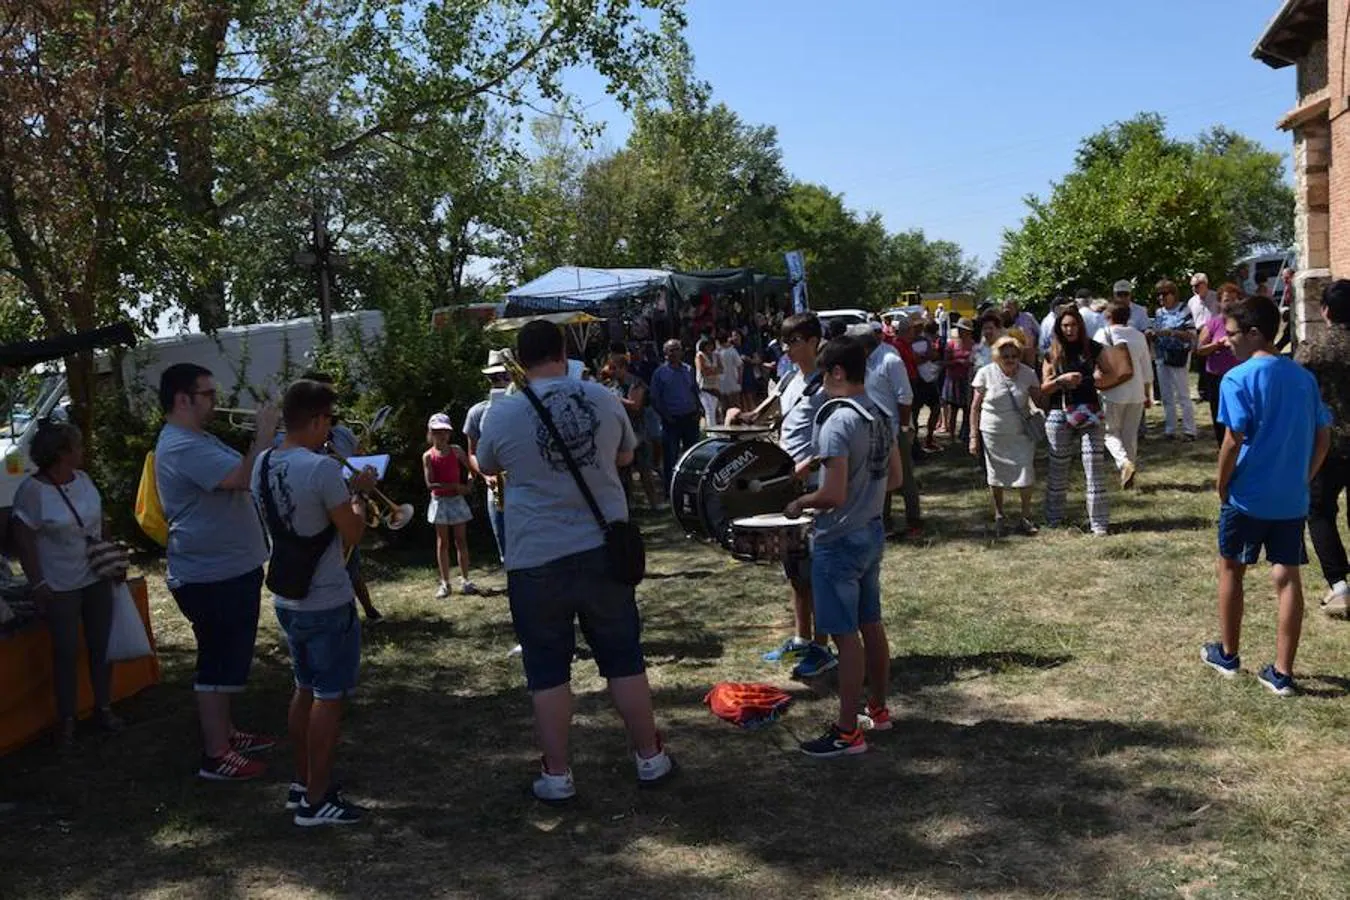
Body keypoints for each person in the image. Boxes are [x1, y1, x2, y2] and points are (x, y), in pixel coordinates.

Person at [476, 320, 675, 801]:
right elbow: (628, 457)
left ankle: (557, 773)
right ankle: (649, 756)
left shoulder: (502, 413)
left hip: (535, 556)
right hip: (602, 549)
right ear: (564, 351)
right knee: (624, 658)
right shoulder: (604, 397)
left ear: (519, 361)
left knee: (547, 669)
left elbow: (485, 466)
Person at [252, 379, 376, 826]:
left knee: (303, 688)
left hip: (288, 598)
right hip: (326, 596)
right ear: (319, 419)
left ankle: (303, 782)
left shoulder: (262, 463)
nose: (331, 431)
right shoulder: (322, 470)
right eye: (329, 421)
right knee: (329, 696)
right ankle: (317, 801)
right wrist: (360, 491)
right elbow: (353, 532)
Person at [1201, 295, 1332, 697]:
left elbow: (1232, 439)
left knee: (1231, 570)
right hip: (1290, 498)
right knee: (1288, 578)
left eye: (1232, 334)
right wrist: (1304, 476)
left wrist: (1222, 483)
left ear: (1255, 333)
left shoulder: (1237, 378)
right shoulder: (1302, 377)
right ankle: (1282, 672)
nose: (1226, 341)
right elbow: (1323, 435)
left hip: (1248, 497)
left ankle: (1228, 653)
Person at [155, 363, 276, 781]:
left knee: (229, 657)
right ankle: (216, 754)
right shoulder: (181, 445)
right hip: (211, 574)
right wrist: (263, 431)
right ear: (183, 398)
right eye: (208, 393)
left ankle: (226, 732)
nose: (216, 401)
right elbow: (244, 477)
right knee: (217, 661)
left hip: (229, 567)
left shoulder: (197, 437)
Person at [785, 336, 902, 758]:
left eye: (823, 374)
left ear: (836, 372)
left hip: (838, 540)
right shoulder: (879, 413)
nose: (819, 384)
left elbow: (831, 496)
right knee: (871, 623)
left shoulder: (836, 420)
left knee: (845, 638)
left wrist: (800, 501)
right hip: (871, 533)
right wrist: (842, 476)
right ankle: (880, 710)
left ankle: (848, 732)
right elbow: (895, 479)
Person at [9, 420, 121, 748]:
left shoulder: (84, 480)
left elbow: (102, 523)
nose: (82, 451)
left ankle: (103, 708)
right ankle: (68, 720)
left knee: (102, 645)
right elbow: (24, 538)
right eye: (77, 446)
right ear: (61, 453)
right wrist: (38, 581)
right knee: (66, 651)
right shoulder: (32, 491)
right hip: (60, 583)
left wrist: (112, 558)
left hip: (96, 575)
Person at [761, 313, 837, 679]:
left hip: (813, 486)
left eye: (793, 342)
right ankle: (801, 637)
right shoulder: (793, 379)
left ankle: (823, 647)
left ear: (812, 341)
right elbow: (786, 421)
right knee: (794, 569)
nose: (787, 349)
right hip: (787, 484)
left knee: (818, 570)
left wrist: (807, 464)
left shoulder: (826, 384)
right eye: (784, 342)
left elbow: (834, 436)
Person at [298, 371, 381, 623]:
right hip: (316, 513)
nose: (330, 402)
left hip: (345, 505)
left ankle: (364, 611)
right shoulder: (296, 435)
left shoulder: (343, 433)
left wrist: (364, 469)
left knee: (350, 562)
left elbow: (353, 463)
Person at [1040, 307, 1130, 535]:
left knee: (1093, 467)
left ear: (1080, 325)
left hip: (1089, 410)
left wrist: (1092, 380)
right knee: (1058, 467)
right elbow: (1044, 387)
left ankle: (1099, 524)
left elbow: (1112, 374)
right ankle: (1053, 518)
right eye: (1065, 326)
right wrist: (1062, 380)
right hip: (1059, 413)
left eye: (1073, 325)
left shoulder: (1093, 348)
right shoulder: (1052, 351)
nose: (1069, 329)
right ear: (1059, 328)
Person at [1296, 280, 1350, 616]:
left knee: (1319, 510)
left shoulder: (1313, 349)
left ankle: (1340, 586)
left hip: (1327, 442)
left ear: (1325, 310)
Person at [969, 336, 1043, 535]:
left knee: (1026, 472)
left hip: (1022, 432)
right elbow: (975, 407)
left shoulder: (1029, 374)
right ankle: (999, 515)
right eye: (1005, 355)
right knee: (995, 474)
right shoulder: (985, 373)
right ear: (997, 356)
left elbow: (1040, 401)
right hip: (994, 432)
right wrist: (973, 436)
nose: (1010, 359)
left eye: (1014, 355)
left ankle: (1026, 517)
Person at [856, 325, 921, 539]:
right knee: (878, 477)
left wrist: (903, 427)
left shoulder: (890, 360)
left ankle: (914, 521)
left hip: (893, 428)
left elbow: (905, 397)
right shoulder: (862, 362)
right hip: (871, 429)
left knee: (904, 477)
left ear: (865, 345)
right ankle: (883, 522)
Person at [463, 351, 513, 565]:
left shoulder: (526, 407)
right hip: (497, 488)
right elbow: (472, 453)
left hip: (525, 485)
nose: (499, 382)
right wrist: (485, 475)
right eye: (494, 378)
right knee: (505, 547)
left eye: (504, 376)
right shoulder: (478, 412)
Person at [1095, 302, 1152, 488]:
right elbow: (1146, 368)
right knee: (1130, 434)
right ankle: (1129, 474)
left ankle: (1124, 463)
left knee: (1110, 433)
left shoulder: (1102, 334)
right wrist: (1147, 393)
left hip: (1112, 390)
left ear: (1108, 316)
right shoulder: (1139, 336)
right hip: (1136, 391)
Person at [603, 344, 661, 510]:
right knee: (623, 475)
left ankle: (654, 505)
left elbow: (636, 406)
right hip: (618, 435)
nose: (612, 371)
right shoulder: (611, 386)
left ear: (624, 368)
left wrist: (613, 400)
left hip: (638, 434)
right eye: (610, 368)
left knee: (644, 472)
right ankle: (628, 506)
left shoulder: (636, 383)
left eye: (615, 368)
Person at [423, 414, 475, 598]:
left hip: (456, 501)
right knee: (442, 542)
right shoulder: (428, 456)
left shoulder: (457, 451)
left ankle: (465, 579)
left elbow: (472, 471)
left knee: (461, 540)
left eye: (445, 431)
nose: (442, 435)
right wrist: (454, 486)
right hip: (439, 502)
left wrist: (468, 486)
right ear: (431, 433)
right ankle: (445, 583)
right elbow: (430, 483)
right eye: (437, 432)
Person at [650, 339, 702, 493]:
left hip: (690, 418)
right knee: (671, 457)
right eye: (671, 350)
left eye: (677, 349)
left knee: (692, 455)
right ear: (665, 353)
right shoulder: (660, 373)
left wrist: (699, 409)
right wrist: (666, 416)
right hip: (671, 421)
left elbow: (694, 390)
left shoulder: (688, 369)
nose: (675, 353)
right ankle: (671, 490)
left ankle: (692, 487)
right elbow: (655, 398)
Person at [1149, 279, 1197, 441]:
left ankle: (1189, 430)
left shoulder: (1184, 310)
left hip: (1178, 355)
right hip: (1162, 355)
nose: (1161, 298)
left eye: (1164, 294)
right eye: (1159, 295)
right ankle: (1170, 429)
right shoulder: (1159, 313)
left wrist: (1173, 333)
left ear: (1173, 294)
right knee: (1166, 395)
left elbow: (1191, 334)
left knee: (1183, 394)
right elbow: (1156, 330)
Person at [1194, 284, 1243, 445]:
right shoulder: (1213, 323)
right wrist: (1217, 345)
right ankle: (1222, 445)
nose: (1231, 304)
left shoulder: (1244, 323)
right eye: (1227, 300)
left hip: (1240, 375)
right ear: (1220, 303)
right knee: (1219, 412)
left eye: (1235, 300)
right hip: (1217, 376)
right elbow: (1200, 349)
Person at [911, 319, 943, 453]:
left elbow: (933, 354)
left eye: (920, 326)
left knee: (936, 409)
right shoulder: (908, 342)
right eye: (916, 326)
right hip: (917, 382)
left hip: (929, 381)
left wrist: (923, 357)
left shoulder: (925, 341)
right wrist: (926, 357)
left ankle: (929, 439)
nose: (919, 328)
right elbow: (914, 360)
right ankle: (914, 443)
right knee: (915, 413)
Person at [942, 320, 975, 444]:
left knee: (967, 408)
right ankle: (951, 436)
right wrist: (957, 362)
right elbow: (944, 362)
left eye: (963, 329)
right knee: (953, 408)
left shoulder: (973, 345)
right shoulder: (951, 344)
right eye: (959, 329)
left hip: (967, 380)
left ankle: (965, 433)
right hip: (953, 379)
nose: (960, 331)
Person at [694, 337, 721, 426]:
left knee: (714, 409)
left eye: (710, 344)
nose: (709, 347)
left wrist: (710, 370)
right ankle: (711, 432)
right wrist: (714, 370)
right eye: (707, 345)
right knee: (709, 409)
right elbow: (703, 371)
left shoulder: (716, 355)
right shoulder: (700, 355)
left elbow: (721, 369)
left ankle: (715, 429)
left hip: (715, 386)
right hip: (703, 387)